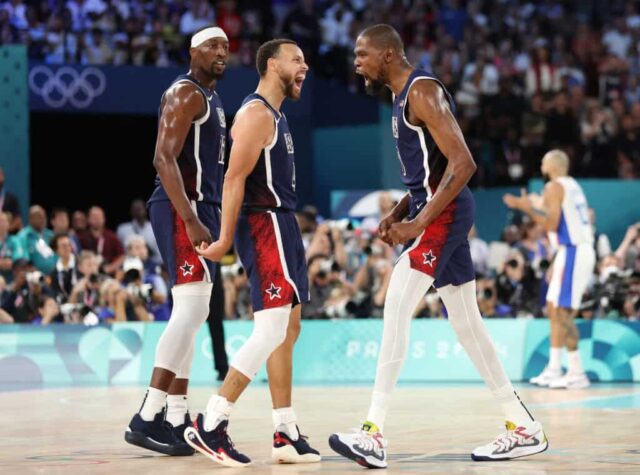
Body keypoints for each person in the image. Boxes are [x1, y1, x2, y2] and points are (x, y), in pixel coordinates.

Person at [329, 24, 547, 468]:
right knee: (466, 323)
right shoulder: (400, 97)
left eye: (362, 53)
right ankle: (523, 426)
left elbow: (462, 162)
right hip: (437, 209)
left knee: (396, 304)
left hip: (444, 214)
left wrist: (419, 222)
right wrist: (400, 211)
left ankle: (373, 432)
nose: (357, 61)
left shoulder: (421, 90)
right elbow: (432, 170)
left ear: (388, 54)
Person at [194, 38, 320, 466]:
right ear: (270, 65)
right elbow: (233, 180)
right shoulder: (254, 113)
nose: (305, 66)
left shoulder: (277, 116)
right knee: (269, 330)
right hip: (264, 224)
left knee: (289, 329)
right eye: (296, 59)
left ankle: (284, 431)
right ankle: (211, 422)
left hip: (282, 223)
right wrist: (226, 238)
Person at [123, 26, 230, 457]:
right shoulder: (185, 93)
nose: (221, 52)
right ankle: (147, 415)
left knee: (197, 308)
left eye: (225, 46)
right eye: (212, 46)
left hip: (202, 208)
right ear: (193, 52)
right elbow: (162, 158)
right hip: (180, 206)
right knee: (190, 307)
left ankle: (176, 416)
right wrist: (189, 217)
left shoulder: (213, 98)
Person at [504, 149, 595, 389]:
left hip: (574, 249)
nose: (541, 164)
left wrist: (526, 208)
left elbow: (551, 224)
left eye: (543, 161)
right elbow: (554, 213)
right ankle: (555, 368)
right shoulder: (570, 185)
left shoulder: (554, 186)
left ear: (550, 165)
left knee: (563, 312)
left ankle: (576, 372)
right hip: (569, 250)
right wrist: (532, 204)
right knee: (554, 309)